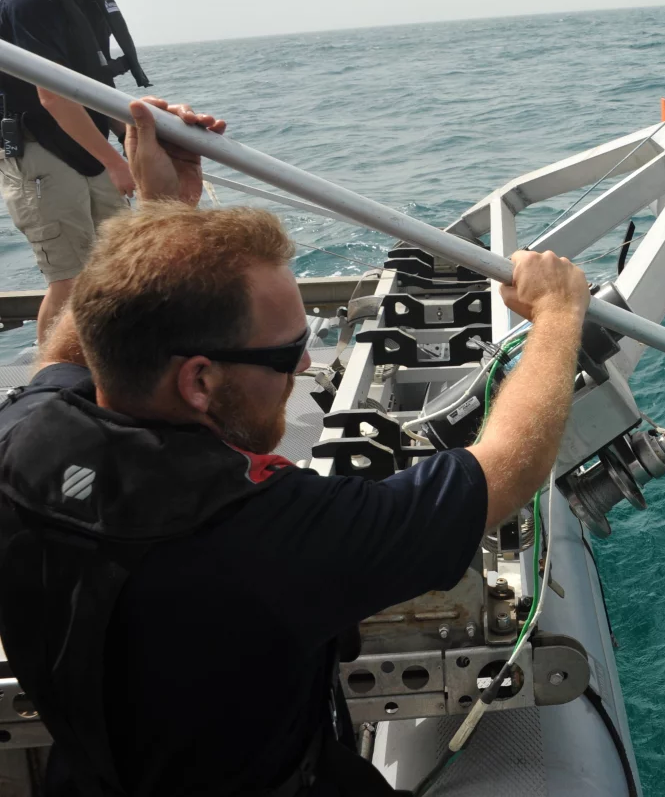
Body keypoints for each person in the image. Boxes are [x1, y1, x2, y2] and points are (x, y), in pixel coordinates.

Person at [0, 97, 592, 795]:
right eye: (287, 353)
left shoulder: (26, 438)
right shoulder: (266, 534)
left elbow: (83, 336)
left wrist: (163, 212)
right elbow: (505, 470)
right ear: (198, 381)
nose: (306, 366)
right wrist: (558, 315)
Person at [0, 0, 153, 345]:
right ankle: (49, 375)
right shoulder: (30, 0)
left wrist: (133, 138)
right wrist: (116, 163)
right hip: (41, 153)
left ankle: (109, 365)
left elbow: (95, 80)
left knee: (116, 269)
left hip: (88, 146)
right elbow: (53, 96)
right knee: (69, 281)